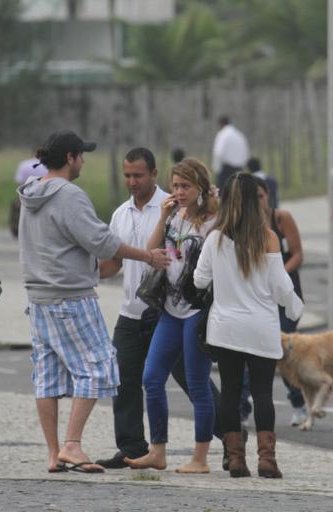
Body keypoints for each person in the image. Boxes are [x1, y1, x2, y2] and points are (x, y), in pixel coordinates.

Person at [18, 130, 170, 474]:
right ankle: (72, 445)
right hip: (70, 296)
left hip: (38, 297)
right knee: (100, 365)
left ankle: (54, 453)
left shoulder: (31, 192)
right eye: (81, 155)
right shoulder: (69, 195)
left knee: (47, 375)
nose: (83, 161)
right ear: (71, 158)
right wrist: (147, 256)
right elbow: (103, 243)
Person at [96, 148, 227, 470]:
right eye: (127, 175)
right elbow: (129, 257)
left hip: (184, 310)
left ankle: (228, 439)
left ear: (153, 175)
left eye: (137, 175)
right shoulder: (127, 213)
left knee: (195, 383)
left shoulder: (196, 213)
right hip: (144, 308)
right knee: (136, 378)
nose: (131, 181)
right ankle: (139, 448)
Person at [194, 172, 303, 479]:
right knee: (263, 393)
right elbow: (282, 286)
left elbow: (200, 280)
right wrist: (296, 307)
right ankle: (267, 460)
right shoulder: (267, 237)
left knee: (230, 393)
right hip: (261, 328)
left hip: (226, 328)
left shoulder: (215, 237)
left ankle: (236, 459)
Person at [125, 157, 218, 473]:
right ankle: (158, 450)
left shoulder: (212, 221)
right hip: (170, 309)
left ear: (200, 187)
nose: (178, 191)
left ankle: (200, 457)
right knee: (151, 378)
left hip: (196, 310)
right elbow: (152, 253)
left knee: (197, 383)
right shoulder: (174, 216)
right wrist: (163, 215)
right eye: (176, 185)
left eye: (185, 186)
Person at [256, 179, 307, 425]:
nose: (258, 202)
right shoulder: (247, 226)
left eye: (260, 196)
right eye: (252, 197)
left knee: (284, 350)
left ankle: (298, 402)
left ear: (268, 196)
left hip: (285, 296)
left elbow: (297, 253)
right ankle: (244, 407)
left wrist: (279, 274)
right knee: (251, 353)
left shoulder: (281, 218)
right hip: (259, 298)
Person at [10, 149, 47, 238]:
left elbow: (19, 182)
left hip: (26, 195)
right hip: (44, 195)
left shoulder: (24, 164)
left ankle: (17, 230)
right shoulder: (47, 165)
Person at [212, 116, 249, 190]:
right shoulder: (239, 135)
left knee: (223, 194)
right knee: (237, 192)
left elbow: (219, 153)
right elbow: (246, 153)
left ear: (221, 124)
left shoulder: (222, 134)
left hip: (226, 170)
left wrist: (217, 169)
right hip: (239, 169)